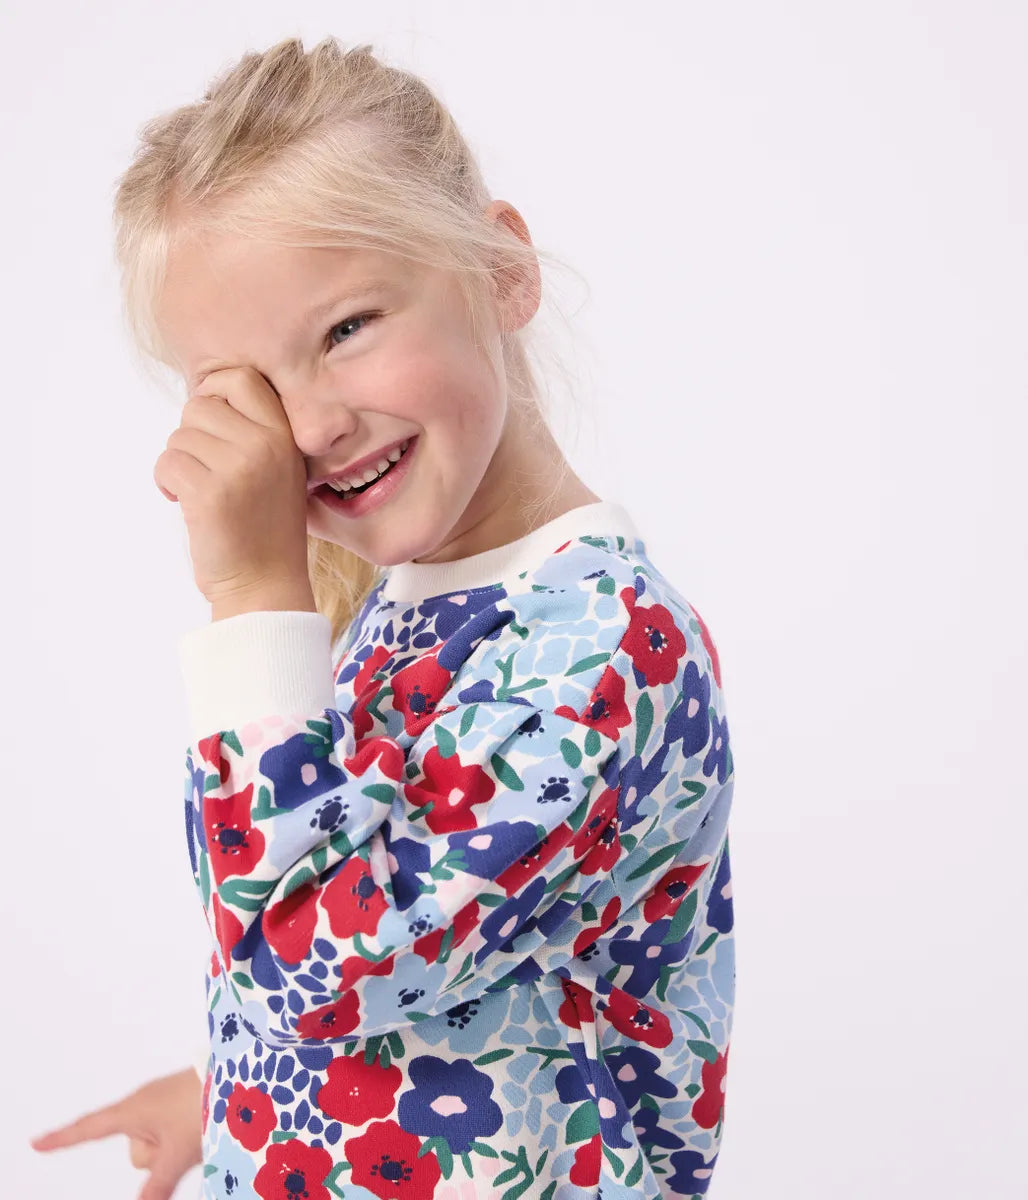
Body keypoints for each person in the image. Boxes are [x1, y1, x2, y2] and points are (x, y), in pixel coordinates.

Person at [30, 36, 736, 1200]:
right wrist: (231, 1096)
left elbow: (313, 969)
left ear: (501, 271)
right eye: (249, 389)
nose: (309, 428)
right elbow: (424, 956)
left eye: (347, 329)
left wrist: (251, 599)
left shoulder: (603, 647)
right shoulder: (405, 604)